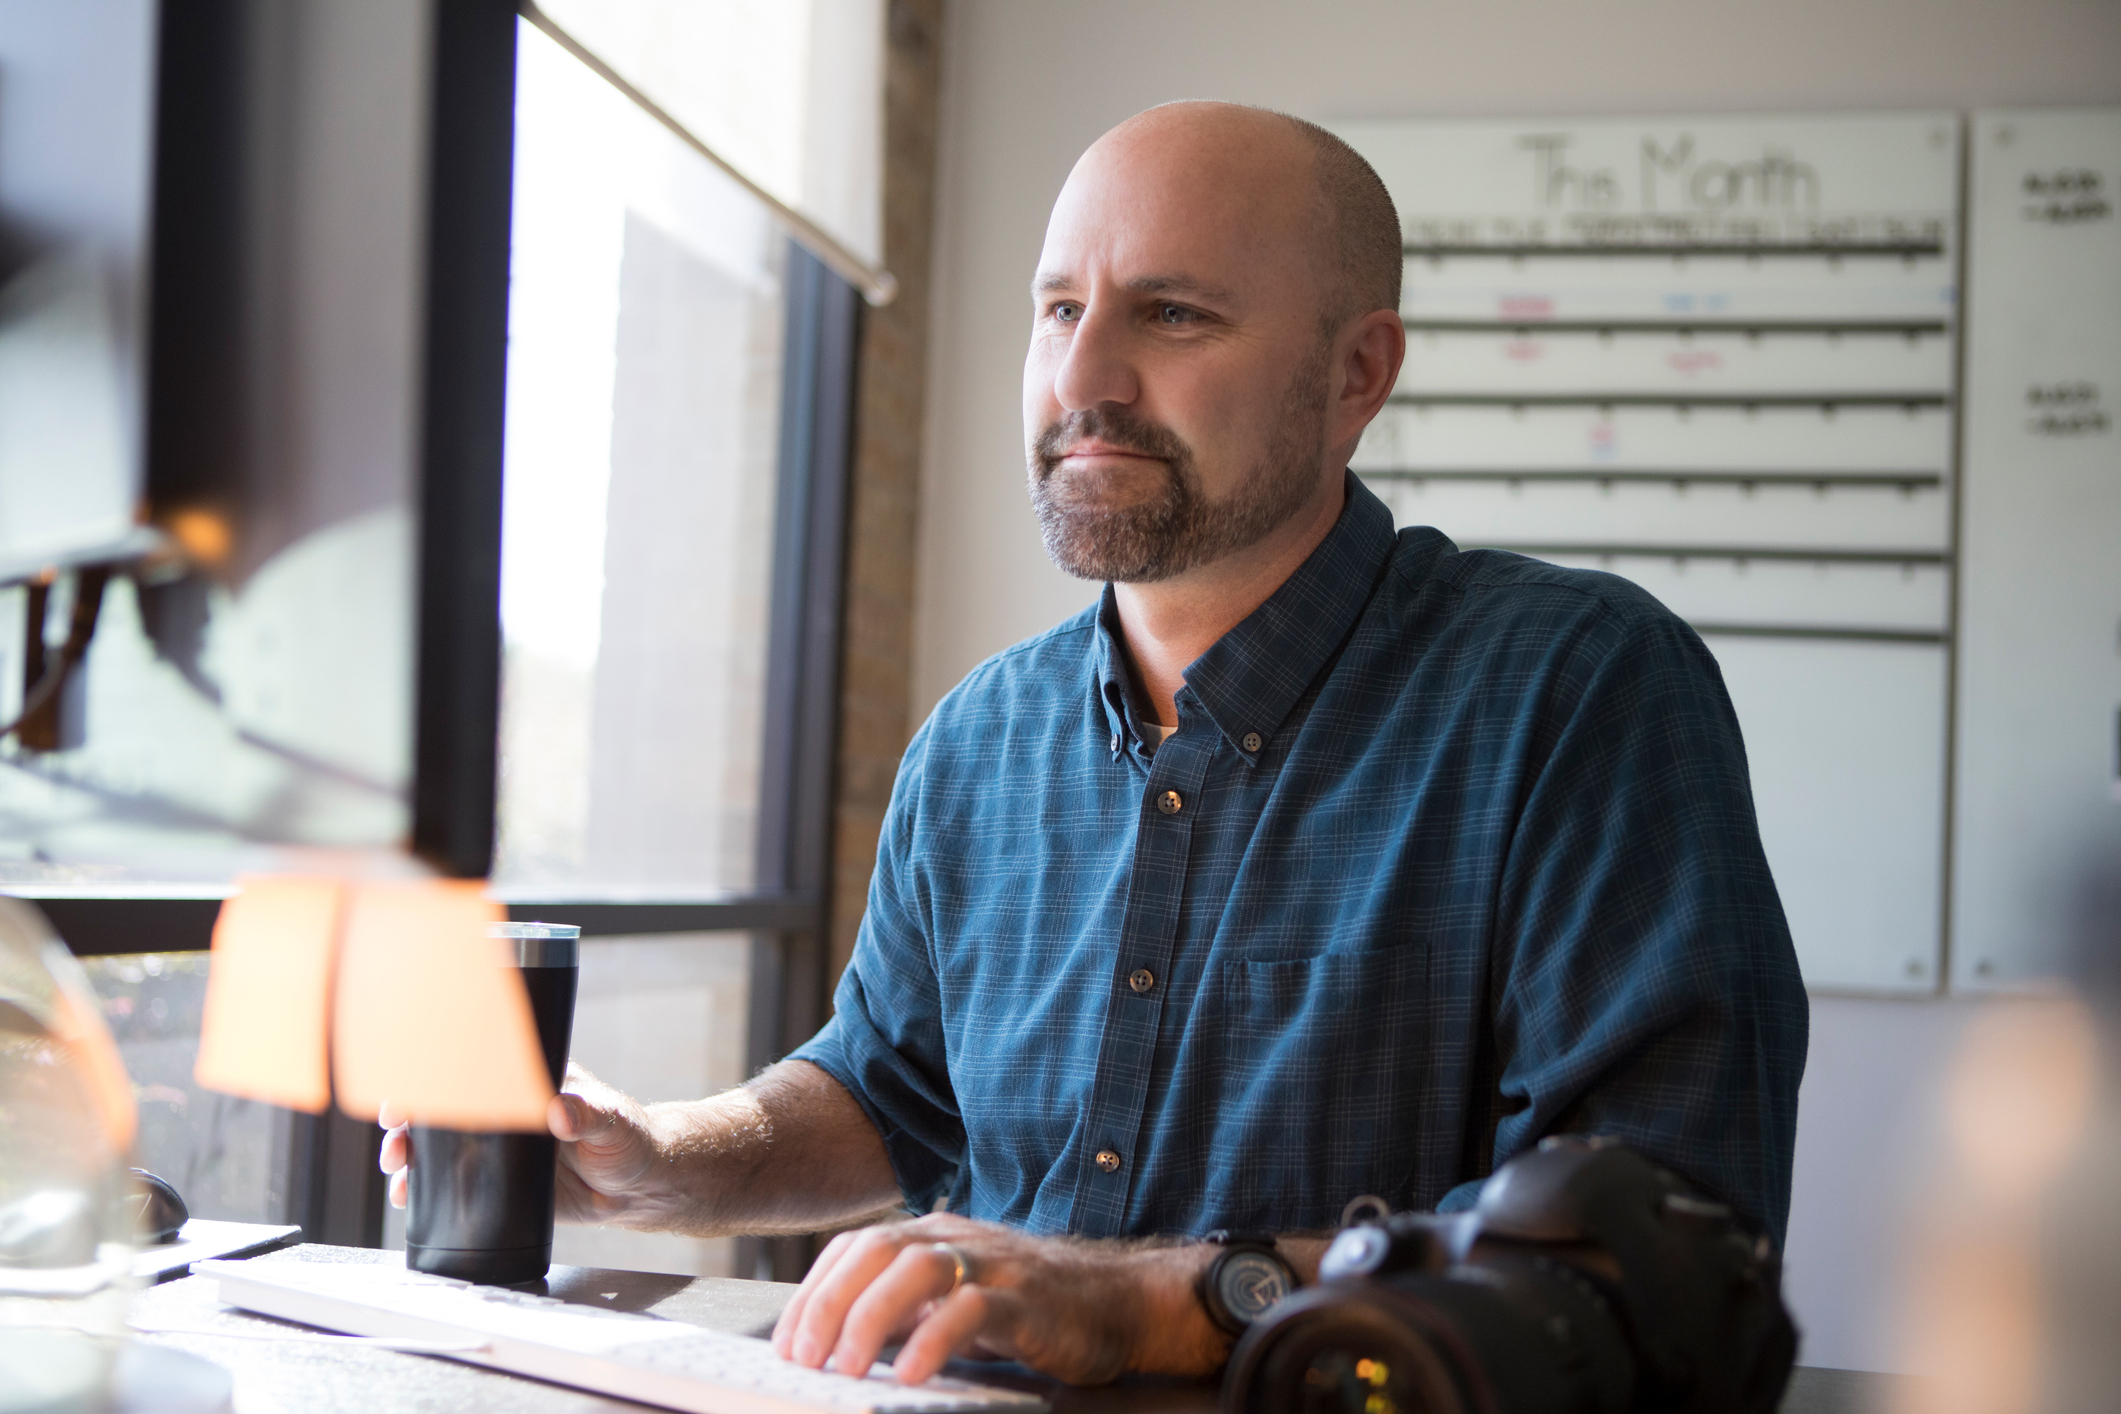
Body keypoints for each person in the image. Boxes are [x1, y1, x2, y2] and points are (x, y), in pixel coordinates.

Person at [382, 100, 1807, 1388]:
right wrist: (659, 1164)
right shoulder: (975, 739)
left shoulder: (1575, 686)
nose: (1088, 376)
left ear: (1354, 372)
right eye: (1058, 307)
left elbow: (1672, 1246)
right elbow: (889, 1087)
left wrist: (1160, 1300)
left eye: (1171, 313)